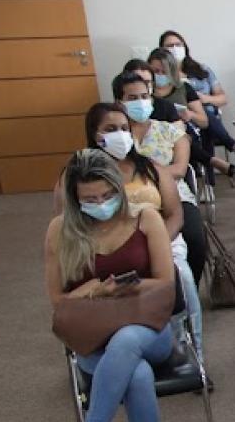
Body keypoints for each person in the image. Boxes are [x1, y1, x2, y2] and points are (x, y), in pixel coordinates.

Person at [46, 149, 177, 422]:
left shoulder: (145, 218)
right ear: (75, 199)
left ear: (119, 190)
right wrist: (93, 290)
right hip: (93, 337)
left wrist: (124, 289)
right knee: (135, 375)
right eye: (90, 199)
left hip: (149, 328)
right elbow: (57, 300)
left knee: (127, 341)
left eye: (107, 196)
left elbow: (166, 284)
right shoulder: (60, 230)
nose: (101, 204)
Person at [79, 103, 205, 361]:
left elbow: (174, 214)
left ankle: (192, 352)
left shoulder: (151, 168)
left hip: (162, 240)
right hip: (108, 247)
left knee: (185, 280)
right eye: (111, 129)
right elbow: (69, 222)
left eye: (125, 128)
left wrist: (153, 248)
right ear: (95, 134)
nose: (121, 134)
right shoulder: (80, 175)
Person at [113, 71, 207, 328]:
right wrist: (153, 172)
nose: (140, 102)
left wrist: (145, 173)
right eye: (132, 98)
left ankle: (187, 294)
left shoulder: (170, 131)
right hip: (130, 202)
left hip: (173, 196)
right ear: (119, 103)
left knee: (197, 241)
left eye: (145, 96)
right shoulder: (116, 138)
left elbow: (179, 168)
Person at [158, 29, 235, 162]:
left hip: (205, 113)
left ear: (185, 47)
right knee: (201, 121)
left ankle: (209, 173)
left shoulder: (202, 70)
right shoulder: (161, 74)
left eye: (178, 45)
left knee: (205, 117)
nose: (174, 48)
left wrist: (204, 98)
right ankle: (229, 145)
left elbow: (223, 98)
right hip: (181, 116)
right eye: (169, 46)